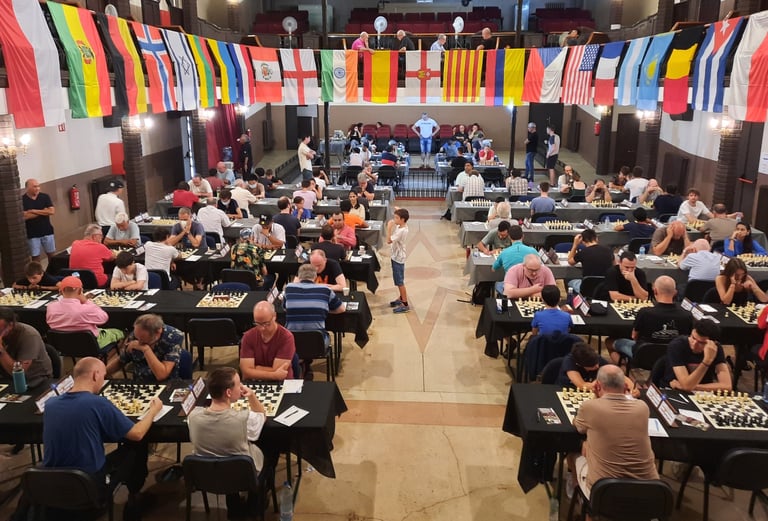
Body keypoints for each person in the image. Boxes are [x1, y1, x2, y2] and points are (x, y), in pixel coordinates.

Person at [42, 357, 162, 518]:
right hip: (88, 487)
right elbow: (137, 434)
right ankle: (134, 499)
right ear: (95, 375)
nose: (104, 381)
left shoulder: (50, 404)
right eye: (104, 376)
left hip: (50, 485)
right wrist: (153, 410)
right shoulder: (98, 403)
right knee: (135, 447)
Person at [569, 364, 657, 500]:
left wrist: (596, 397)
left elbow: (578, 426)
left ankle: (579, 494)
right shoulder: (642, 407)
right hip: (649, 491)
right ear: (625, 387)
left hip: (604, 492)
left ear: (597, 386)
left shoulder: (589, 407)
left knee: (574, 452)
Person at [284, 263, 346, 378]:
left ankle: (303, 364)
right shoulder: (325, 290)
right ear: (315, 276)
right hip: (318, 343)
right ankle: (305, 364)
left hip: (291, 341)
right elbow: (341, 309)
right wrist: (324, 309)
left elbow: (285, 308)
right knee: (312, 337)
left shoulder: (288, 288)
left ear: (299, 276)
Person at [610, 276, 692, 362]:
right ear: (675, 292)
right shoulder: (687, 315)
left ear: (655, 291)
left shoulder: (645, 312)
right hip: (674, 357)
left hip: (644, 355)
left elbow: (634, 336)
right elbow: (687, 339)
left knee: (610, 342)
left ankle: (625, 370)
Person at [46, 275, 125, 350]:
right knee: (120, 332)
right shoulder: (85, 309)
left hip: (62, 345)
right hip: (90, 344)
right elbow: (104, 318)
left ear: (60, 291)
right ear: (80, 291)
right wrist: (85, 301)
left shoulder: (50, 307)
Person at [106, 313, 182, 382]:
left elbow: (161, 375)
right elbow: (121, 360)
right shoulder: (136, 335)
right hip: (139, 382)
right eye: (137, 338)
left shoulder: (173, 336)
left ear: (158, 332)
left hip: (166, 384)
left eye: (143, 341)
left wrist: (146, 349)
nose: (138, 342)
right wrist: (103, 374)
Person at [663, 319, 731, 391]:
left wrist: (695, 387)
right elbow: (687, 386)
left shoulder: (715, 349)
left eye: (701, 343)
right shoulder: (677, 345)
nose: (694, 344)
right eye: (693, 338)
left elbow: (727, 386)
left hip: (701, 392)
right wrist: (706, 362)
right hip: (672, 390)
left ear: (712, 343)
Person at [240, 302, 296, 380]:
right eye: (258, 324)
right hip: (256, 382)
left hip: (282, 382)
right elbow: (246, 372)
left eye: (266, 323)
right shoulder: (248, 336)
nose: (262, 328)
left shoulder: (286, 337)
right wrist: (274, 375)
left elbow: (279, 370)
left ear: (274, 316)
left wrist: (256, 368)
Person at [0, 307, 52, 388]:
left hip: (34, 379)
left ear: (10, 325)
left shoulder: (29, 335)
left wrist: (1, 351)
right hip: (5, 377)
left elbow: (19, 372)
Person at [567, 229, 614, 294]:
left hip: (587, 288)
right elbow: (614, 266)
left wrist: (575, 245)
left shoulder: (583, 252)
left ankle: (574, 299)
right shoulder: (609, 251)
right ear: (596, 238)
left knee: (568, 279)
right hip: (605, 287)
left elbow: (570, 261)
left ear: (583, 241)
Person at [22, 178, 56, 262]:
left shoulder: (45, 197)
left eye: (38, 186)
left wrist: (33, 211)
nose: (37, 188)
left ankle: (52, 270)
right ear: (27, 188)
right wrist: (44, 211)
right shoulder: (22, 200)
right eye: (34, 186)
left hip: (47, 231)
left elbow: (51, 211)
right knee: (35, 258)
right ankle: (38, 271)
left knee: (52, 256)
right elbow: (25, 216)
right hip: (32, 234)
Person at [387, 208, 410, 313]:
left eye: (396, 218)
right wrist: (398, 210)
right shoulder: (402, 225)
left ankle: (405, 304)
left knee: (400, 282)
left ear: (402, 219)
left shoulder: (401, 231)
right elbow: (402, 214)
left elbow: (388, 241)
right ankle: (401, 297)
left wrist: (388, 228)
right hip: (395, 256)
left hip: (398, 258)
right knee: (398, 280)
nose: (394, 219)